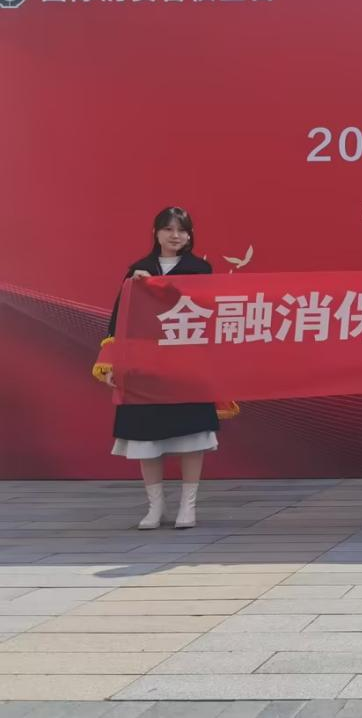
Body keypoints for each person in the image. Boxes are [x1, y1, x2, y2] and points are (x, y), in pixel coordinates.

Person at [96, 207, 220, 530]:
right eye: (168, 229)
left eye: (182, 230)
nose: (175, 236)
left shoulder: (200, 269)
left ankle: (188, 506)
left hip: (186, 366)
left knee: (191, 436)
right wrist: (110, 362)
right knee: (145, 438)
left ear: (190, 236)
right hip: (144, 367)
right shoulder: (137, 270)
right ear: (156, 233)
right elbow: (119, 320)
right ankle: (155, 507)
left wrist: (157, 288)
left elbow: (207, 311)